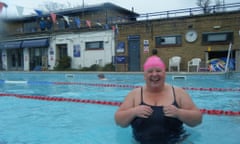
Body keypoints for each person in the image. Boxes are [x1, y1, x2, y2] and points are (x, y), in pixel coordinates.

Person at [114, 56, 202, 144]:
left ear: (165, 73)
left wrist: (179, 113)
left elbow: (198, 119)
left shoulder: (178, 93)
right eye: (150, 71)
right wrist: (133, 112)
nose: (154, 74)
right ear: (144, 75)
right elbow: (119, 121)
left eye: (158, 71)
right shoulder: (134, 94)